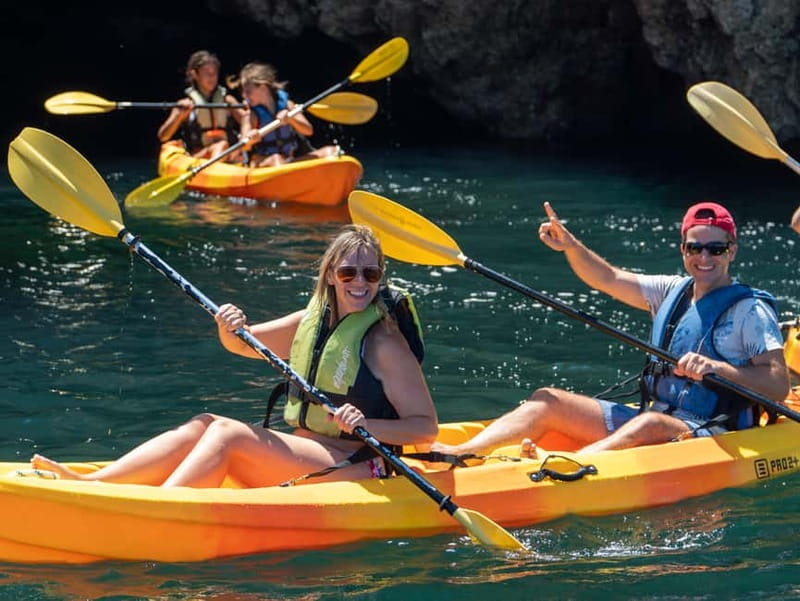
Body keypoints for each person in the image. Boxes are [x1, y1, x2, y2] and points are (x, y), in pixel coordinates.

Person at [31, 225, 438, 487]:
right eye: (349, 272)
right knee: (205, 423)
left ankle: (166, 508)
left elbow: (425, 429)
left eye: (371, 274)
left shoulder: (384, 344)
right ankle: (97, 483)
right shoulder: (308, 321)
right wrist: (228, 326)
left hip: (355, 461)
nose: (360, 283)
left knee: (228, 435)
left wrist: (365, 422)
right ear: (331, 275)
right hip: (308, 447)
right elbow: (242, 344)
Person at [432, 201, 789, 458]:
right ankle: (463, 452)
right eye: (695, 247)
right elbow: (607, 277)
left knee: (651, 425)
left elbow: (778, 384)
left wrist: (718, 369)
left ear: (732, 251)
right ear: (683, 249)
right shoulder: (670, 290)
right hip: (657, 414)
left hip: (711, 430)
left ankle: (570, 465)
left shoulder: (750, 310)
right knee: (548, 400)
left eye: (716, 248)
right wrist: (570, 246)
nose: (705, 257)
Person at [228, 62, 339, 167]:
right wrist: (251, 139)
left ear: (262, 88)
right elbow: (244, 145)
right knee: (276, 159)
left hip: (289, 160)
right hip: (262, 163)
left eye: (248, 92)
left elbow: (308, 131)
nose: (244, 96)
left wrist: (291, 119)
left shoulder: (287, 105)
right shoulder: (251, 114)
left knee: (331, 152)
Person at [157, 50, 242, 159]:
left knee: (225, 147)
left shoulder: (228, 101)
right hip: (199, 157)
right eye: (207, 73)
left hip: (227, 154)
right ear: (195, 74)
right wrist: (178, 116)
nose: (212, 77)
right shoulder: (186, 104)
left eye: (214, 73)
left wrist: (249, 115)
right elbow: (163, 136)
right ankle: (214, 168)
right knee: (220, 146)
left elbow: (249, 121)